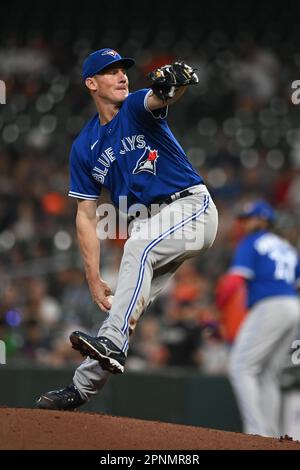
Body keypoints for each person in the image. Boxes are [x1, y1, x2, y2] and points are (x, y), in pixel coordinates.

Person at [36, 48, 218, 410]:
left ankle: (114, 344)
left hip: (190, 207)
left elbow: (159, 97)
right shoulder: (84, 147)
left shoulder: (135, 106)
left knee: (137, 247)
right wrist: (91, 276)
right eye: (110, 71)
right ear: (91, 83)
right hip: (155, 224)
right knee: (124, 306)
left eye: (123, 70)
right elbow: (86, 216)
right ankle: (81, 388)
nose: (121, 76)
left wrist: (172, 87)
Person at [225, 200, 300, 437]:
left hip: (270, 305)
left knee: (240, 367)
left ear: (263, 220)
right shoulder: (287, 247)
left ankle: (257, 432)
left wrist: (220, 307)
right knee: (269, 373)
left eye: (250, 218)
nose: (246, 223)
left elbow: (234, 282)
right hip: (292, 307)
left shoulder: (251, 242)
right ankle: (273, 435)